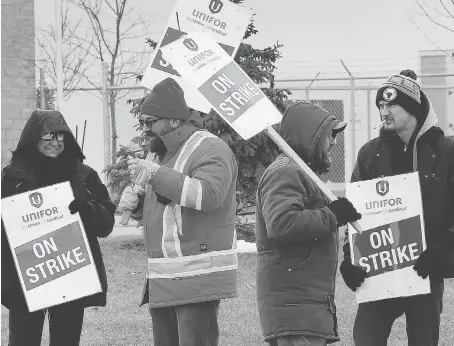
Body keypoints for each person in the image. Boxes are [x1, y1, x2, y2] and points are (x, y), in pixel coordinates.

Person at [340, 69, 454, 346]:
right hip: (378, 274)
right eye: (380, 105)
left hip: (425, 273)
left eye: (392, 104)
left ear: (413, 109)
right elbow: (356, 214)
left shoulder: (447, 153)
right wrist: (349, 259)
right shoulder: (369, 154)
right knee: (365, 339)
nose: (383, 111)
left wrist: (441, 253)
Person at [125, 77, 238, 346]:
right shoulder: (165, 153)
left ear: (174, 121)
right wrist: (139, 205)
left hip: (197, 278)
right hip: (167, 278)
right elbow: (169, 206)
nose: (146, 128)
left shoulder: (211, 148)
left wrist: (156, 174)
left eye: (151, 122)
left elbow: (208, 195)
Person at [1, 110, 116, 346]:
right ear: (33, 138)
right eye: (48, 136)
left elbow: (106, 224)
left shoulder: (84, 176)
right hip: (27, 276)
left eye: (61, 137)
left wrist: (88, 209)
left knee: (66, 341)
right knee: (23, 340)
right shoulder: (13, 177)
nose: (55, 142)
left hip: (70, 273)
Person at [255, 101, 362, 346]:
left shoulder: (304, 172)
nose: (334, 141)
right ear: (310, 137)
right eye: (329, 135)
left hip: (305, 306)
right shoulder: (285, 171)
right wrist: (332, 215)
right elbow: (282, 223)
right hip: (293, 307)